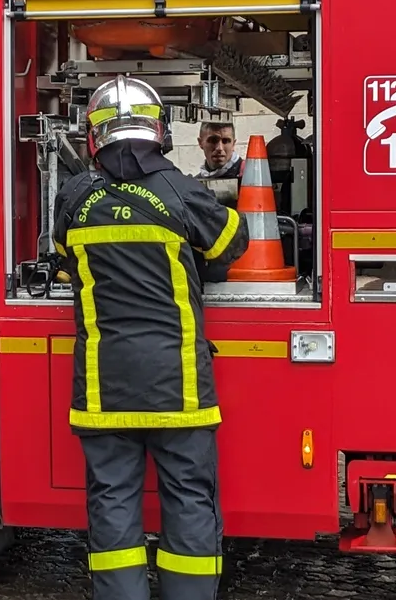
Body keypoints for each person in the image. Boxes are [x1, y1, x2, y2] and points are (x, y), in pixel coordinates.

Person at [52, 75, 249, 600]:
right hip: (178, 387)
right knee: (188, 500)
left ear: (94, 136)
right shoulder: (180, 191)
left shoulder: (74, 197)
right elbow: (233, 244)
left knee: (112, 504)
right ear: (158, 129)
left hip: (103, 388)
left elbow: (65, 261)